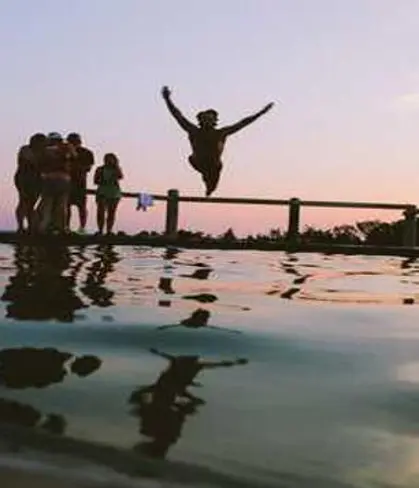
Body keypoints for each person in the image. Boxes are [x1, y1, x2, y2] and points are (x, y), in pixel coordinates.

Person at [161, 86, 274, 196]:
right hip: (197, 162)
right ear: (201, 121)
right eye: (205, 119)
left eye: (210, 119)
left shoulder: (221, 133)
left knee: (211, 183)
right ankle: (207, 180)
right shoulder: (193, 131)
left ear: (214, 121)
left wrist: (261, 113)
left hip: (214, 165)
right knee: (201, 167)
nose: (208, 121)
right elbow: (178, 116)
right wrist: (167, 99)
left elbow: (242, 123)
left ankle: (209, 185)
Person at [37, 132, 75, 234]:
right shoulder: (66, 148)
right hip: (63, 179)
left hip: (48, 179)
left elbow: (40, 164)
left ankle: (43, 227)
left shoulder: (44, 150)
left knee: (47, 204)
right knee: (61, 205)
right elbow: (74, 156)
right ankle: (61, 227)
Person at [14, 133, 47, 233]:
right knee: (23, 201)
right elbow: (26, 164)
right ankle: (20, 227)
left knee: (31, 203)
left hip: (36, 180)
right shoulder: (25, 150)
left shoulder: (43, 152)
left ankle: (30, 227)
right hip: (24, 178)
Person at [66, 133, 94, 234]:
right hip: (67, 182)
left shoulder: (87, 152)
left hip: (80, 182)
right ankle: (66, 227)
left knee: (81, 206)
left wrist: (75, 167)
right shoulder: (65, 151)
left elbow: (88, 168)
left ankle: (82, 228)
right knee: (66, 206)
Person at [93, 153, 123, 235]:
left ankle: (109, 231)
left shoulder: (116, 169)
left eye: (111, 159)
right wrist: (103, 180)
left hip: (114, 193)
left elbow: (120, 176)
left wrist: (116, 168)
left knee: (111, 213)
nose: (109, 161)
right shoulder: (100, 169)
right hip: (102, 192)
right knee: (101, 212)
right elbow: (95, 181)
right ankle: (100, 230)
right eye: (107, 159)